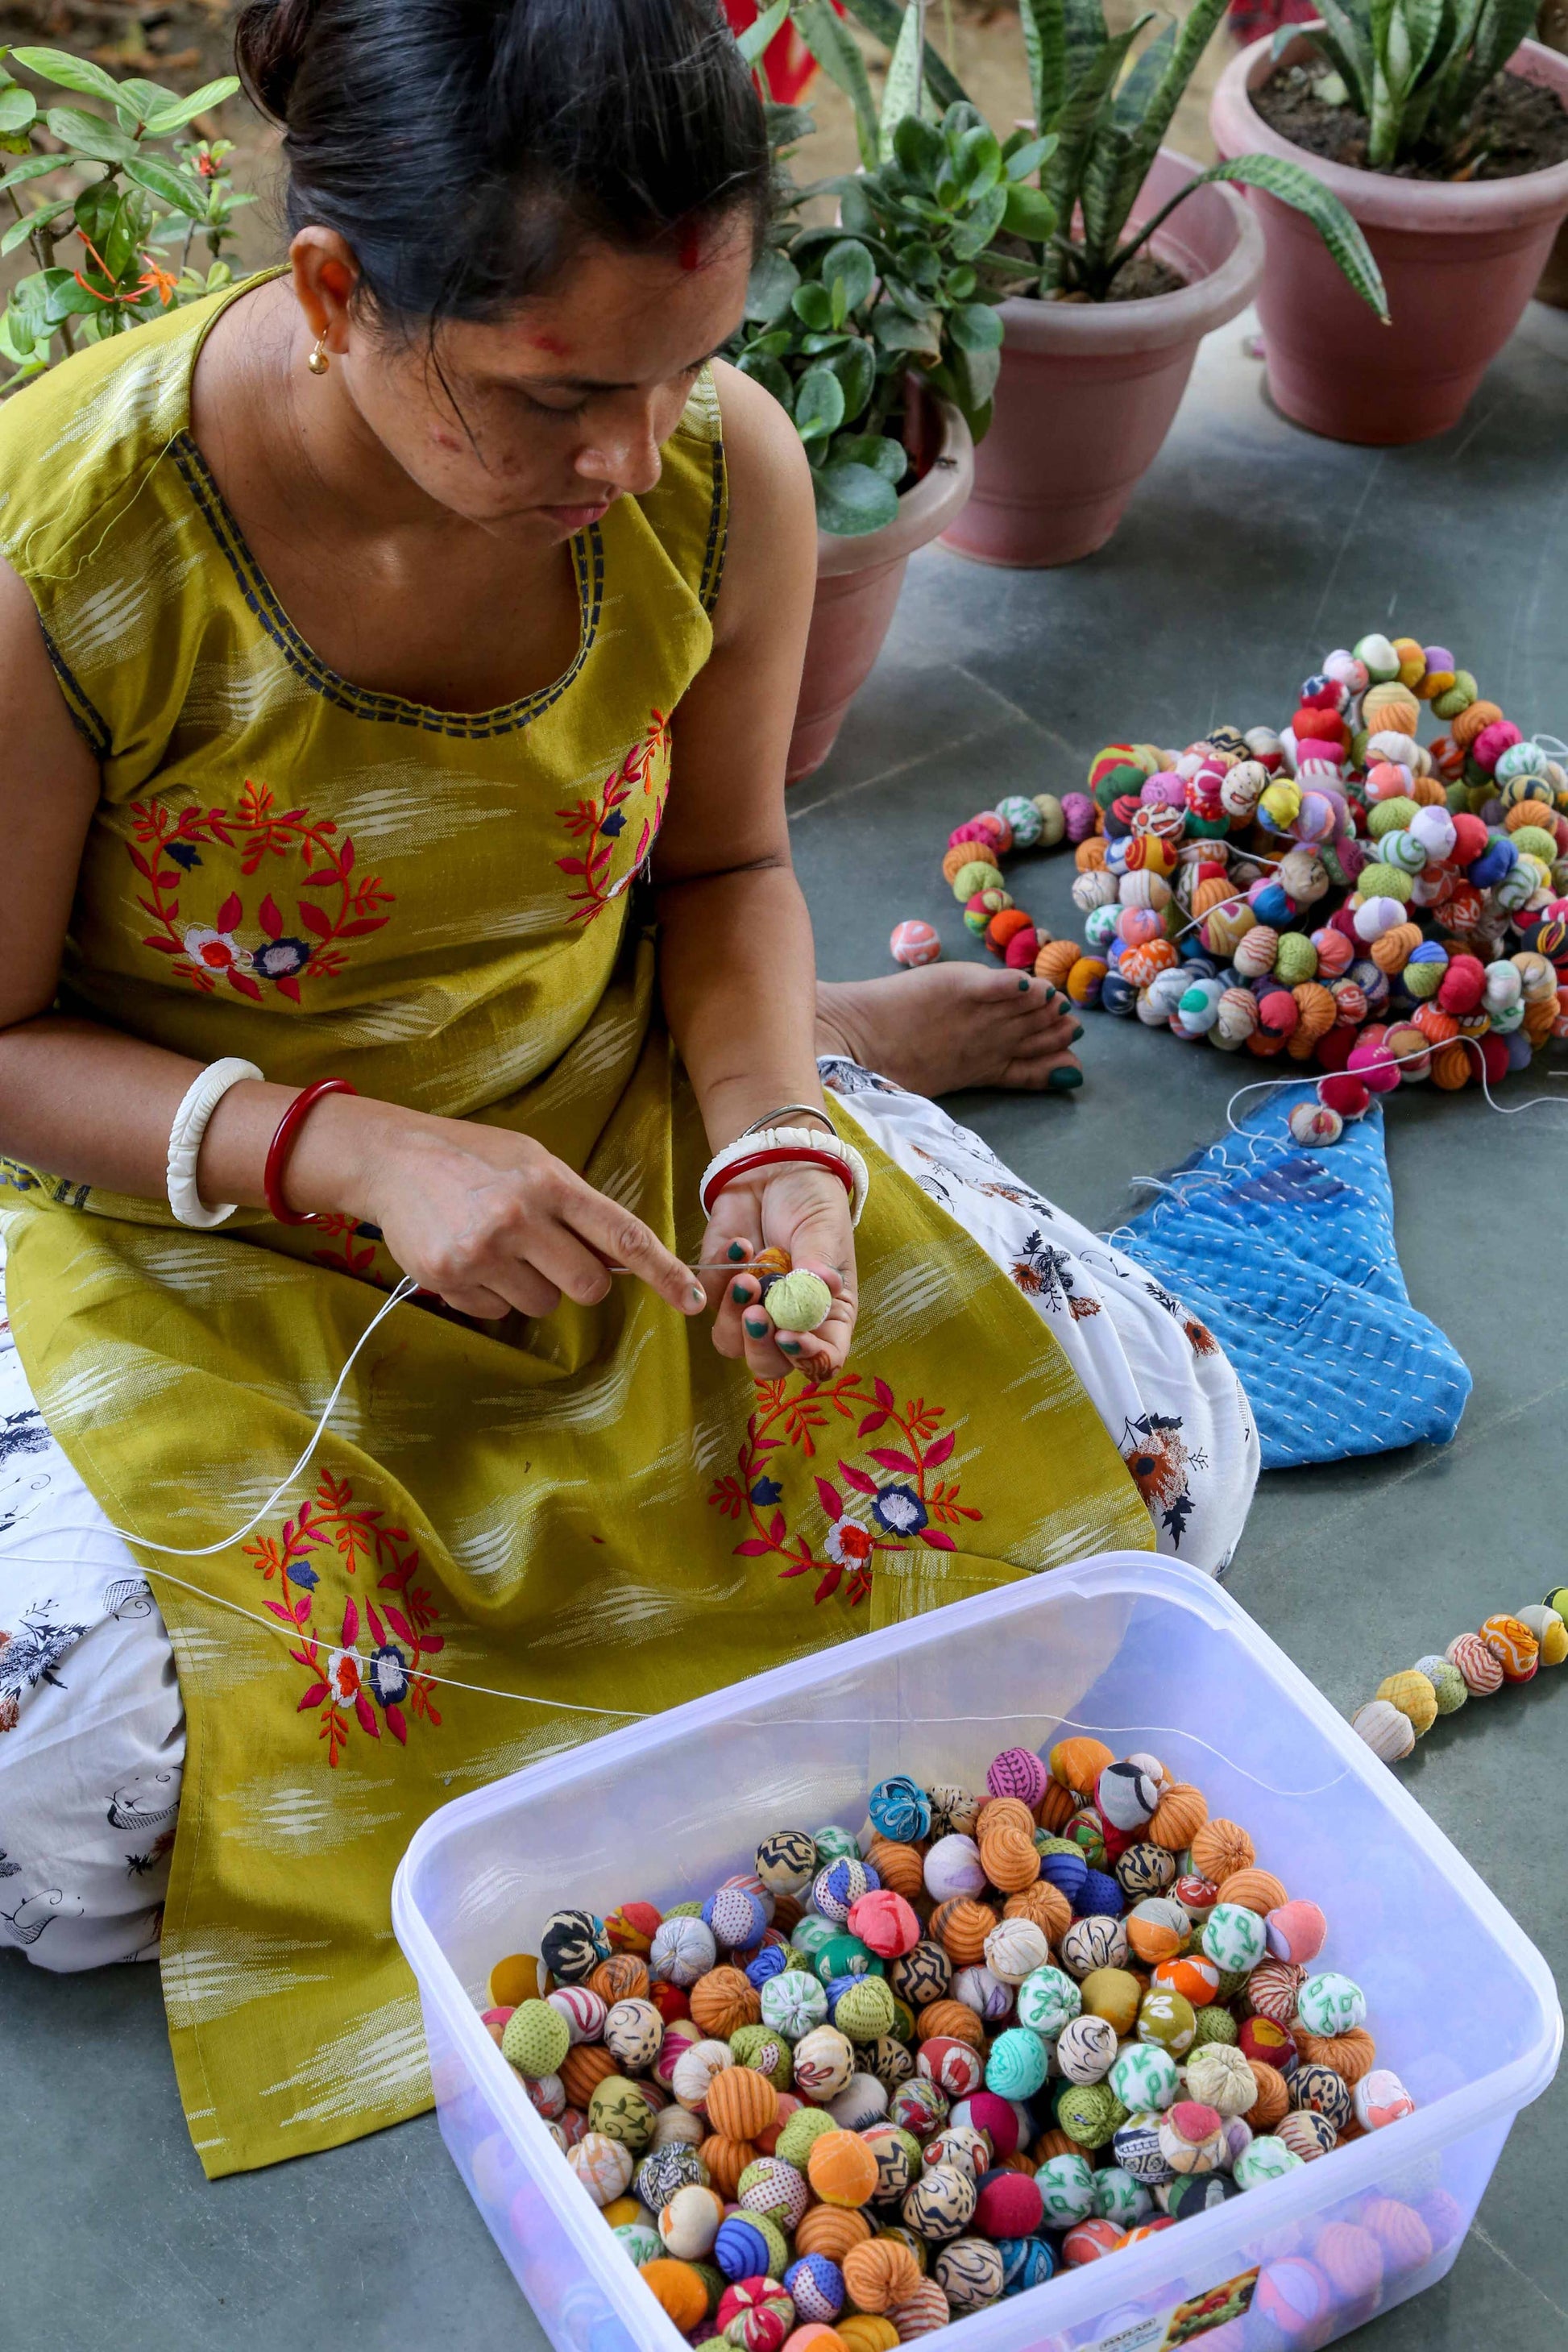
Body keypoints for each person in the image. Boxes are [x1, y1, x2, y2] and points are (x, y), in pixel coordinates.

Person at [0, 0, 1256, 2174]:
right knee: (79, 1774)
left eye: (686, 365)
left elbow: (734, 863)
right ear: (331, 295)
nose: (638, 448)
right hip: (181, 1202)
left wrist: (765, 1132)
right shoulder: (67, 557)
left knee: (1156, 1465)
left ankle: (831, 1080)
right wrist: (343, 1148)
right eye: (560, 392)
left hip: (607, 1129)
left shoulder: (707, 468)